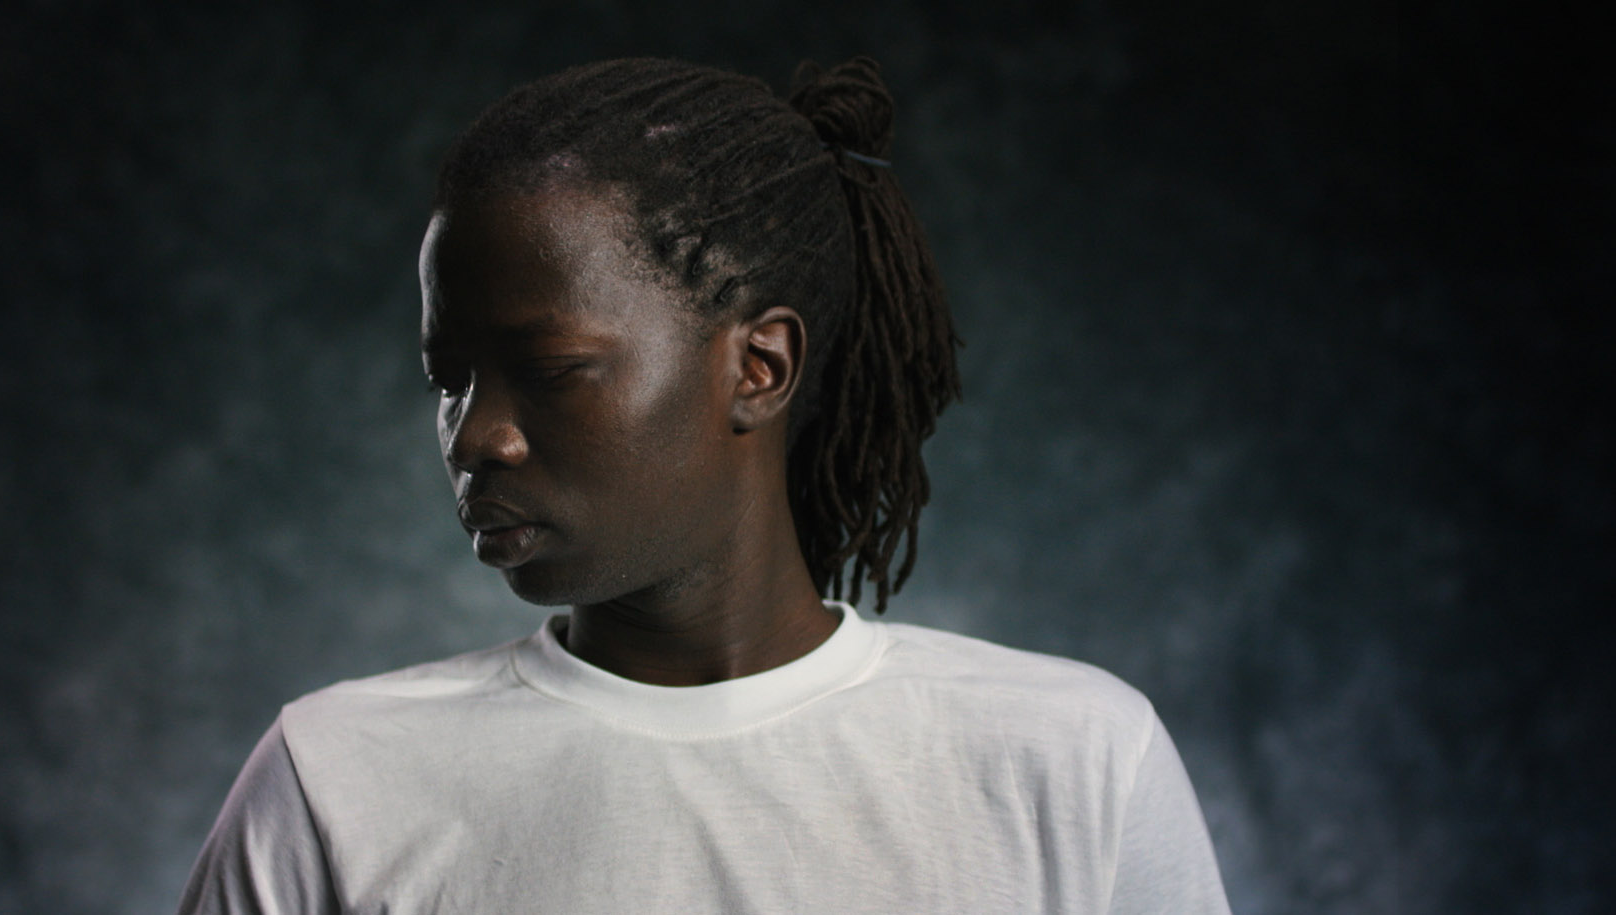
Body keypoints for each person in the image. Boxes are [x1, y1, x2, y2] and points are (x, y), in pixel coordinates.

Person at [177, 56, 1230, 914]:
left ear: (758, 367)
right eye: (447, 380)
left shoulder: (1072, 762)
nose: (477, 436)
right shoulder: (334, 780)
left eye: (550, 370)